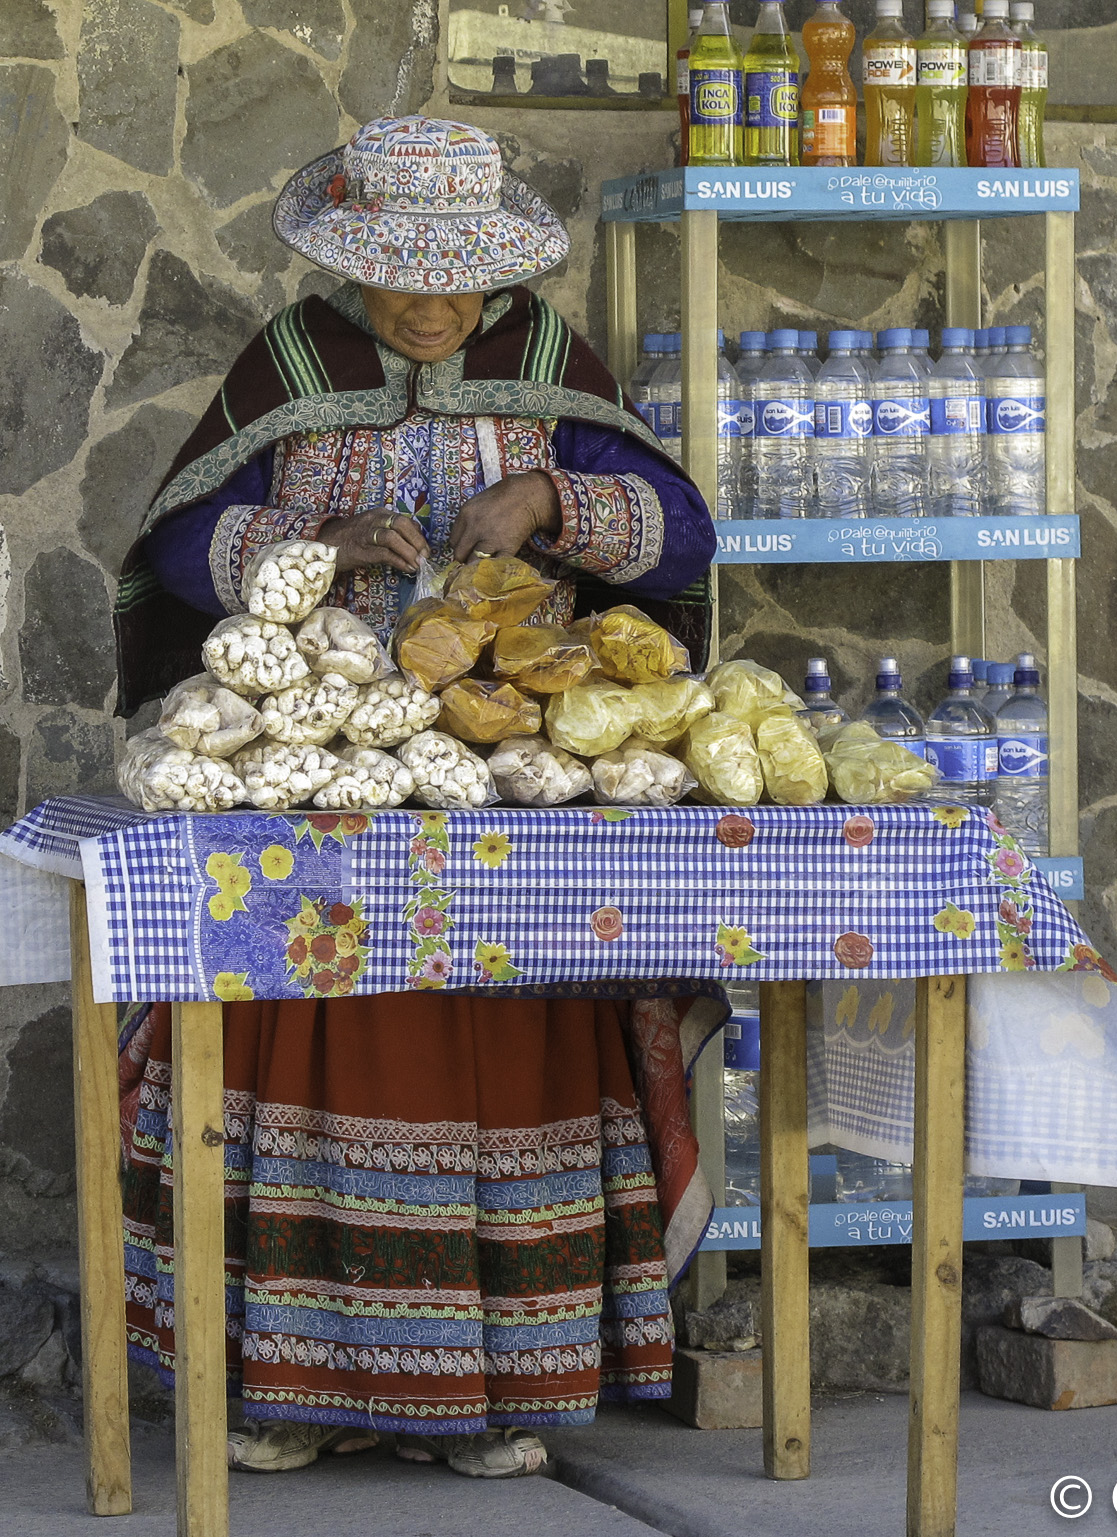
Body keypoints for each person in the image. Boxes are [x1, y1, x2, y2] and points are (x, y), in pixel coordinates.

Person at [107, 117, 719, 1480]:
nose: (431, 310)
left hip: (513, 777)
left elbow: (684, 534)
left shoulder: (548, 366)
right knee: (316, 1049)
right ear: (348, 268)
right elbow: (181, 541)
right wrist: (309, 544)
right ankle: (292, 1381)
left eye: (455, 286)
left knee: (500, 1053)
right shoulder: (294, 362)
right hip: (322, 772)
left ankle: (499, 1390)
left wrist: (552, 496)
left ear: (496, 276)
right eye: (401, 286)